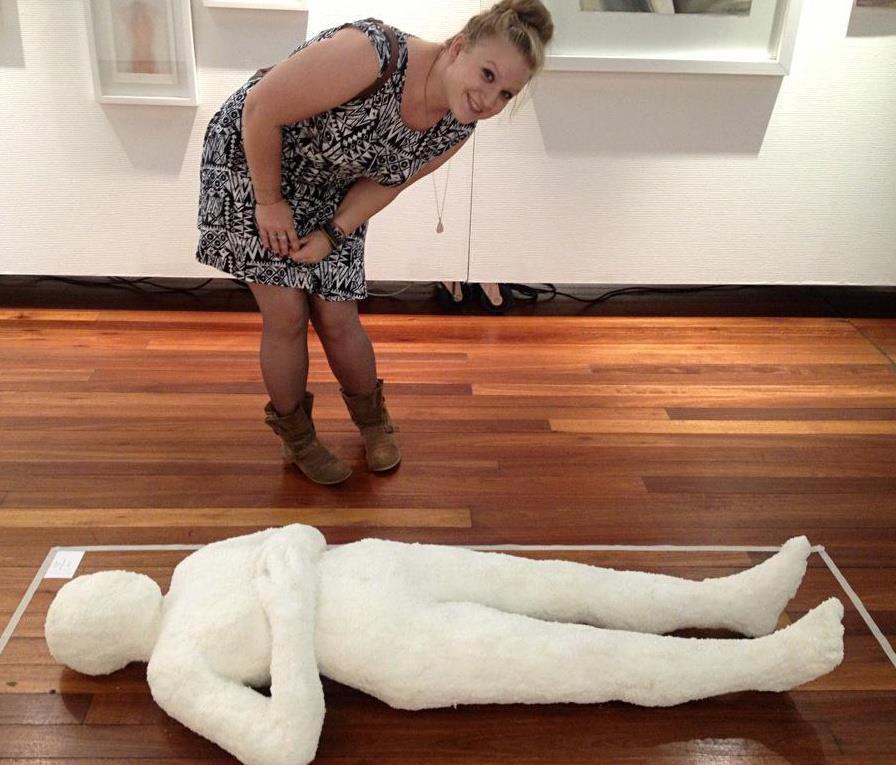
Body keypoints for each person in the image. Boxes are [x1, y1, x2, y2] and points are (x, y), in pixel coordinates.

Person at [45, 525, 844, 765]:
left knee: (568, 582)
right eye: (89, 604)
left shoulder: (191, 567)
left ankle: (730, 602)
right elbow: (286, 744)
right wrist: (289, 610)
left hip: (385, 563)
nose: (104, 583)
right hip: (390, 644)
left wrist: (297, 550)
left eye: (91, 580)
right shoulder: (174, 671)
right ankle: (761, 665)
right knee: (575, 657)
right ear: (102, 651)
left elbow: (298, 532)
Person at [195, 2, 553, 485]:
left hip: (333, 184)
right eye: (487, 74)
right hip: (256, 158)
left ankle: (373, 422)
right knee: (287, 314)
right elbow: (261, 108)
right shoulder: (371, 54)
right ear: (458, 48)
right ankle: (297, 439)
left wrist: (333, 234)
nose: (490, 99)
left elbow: (390, 182)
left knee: (338, 313)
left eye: (506, 92)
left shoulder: (457, 125)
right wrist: (270, 201)